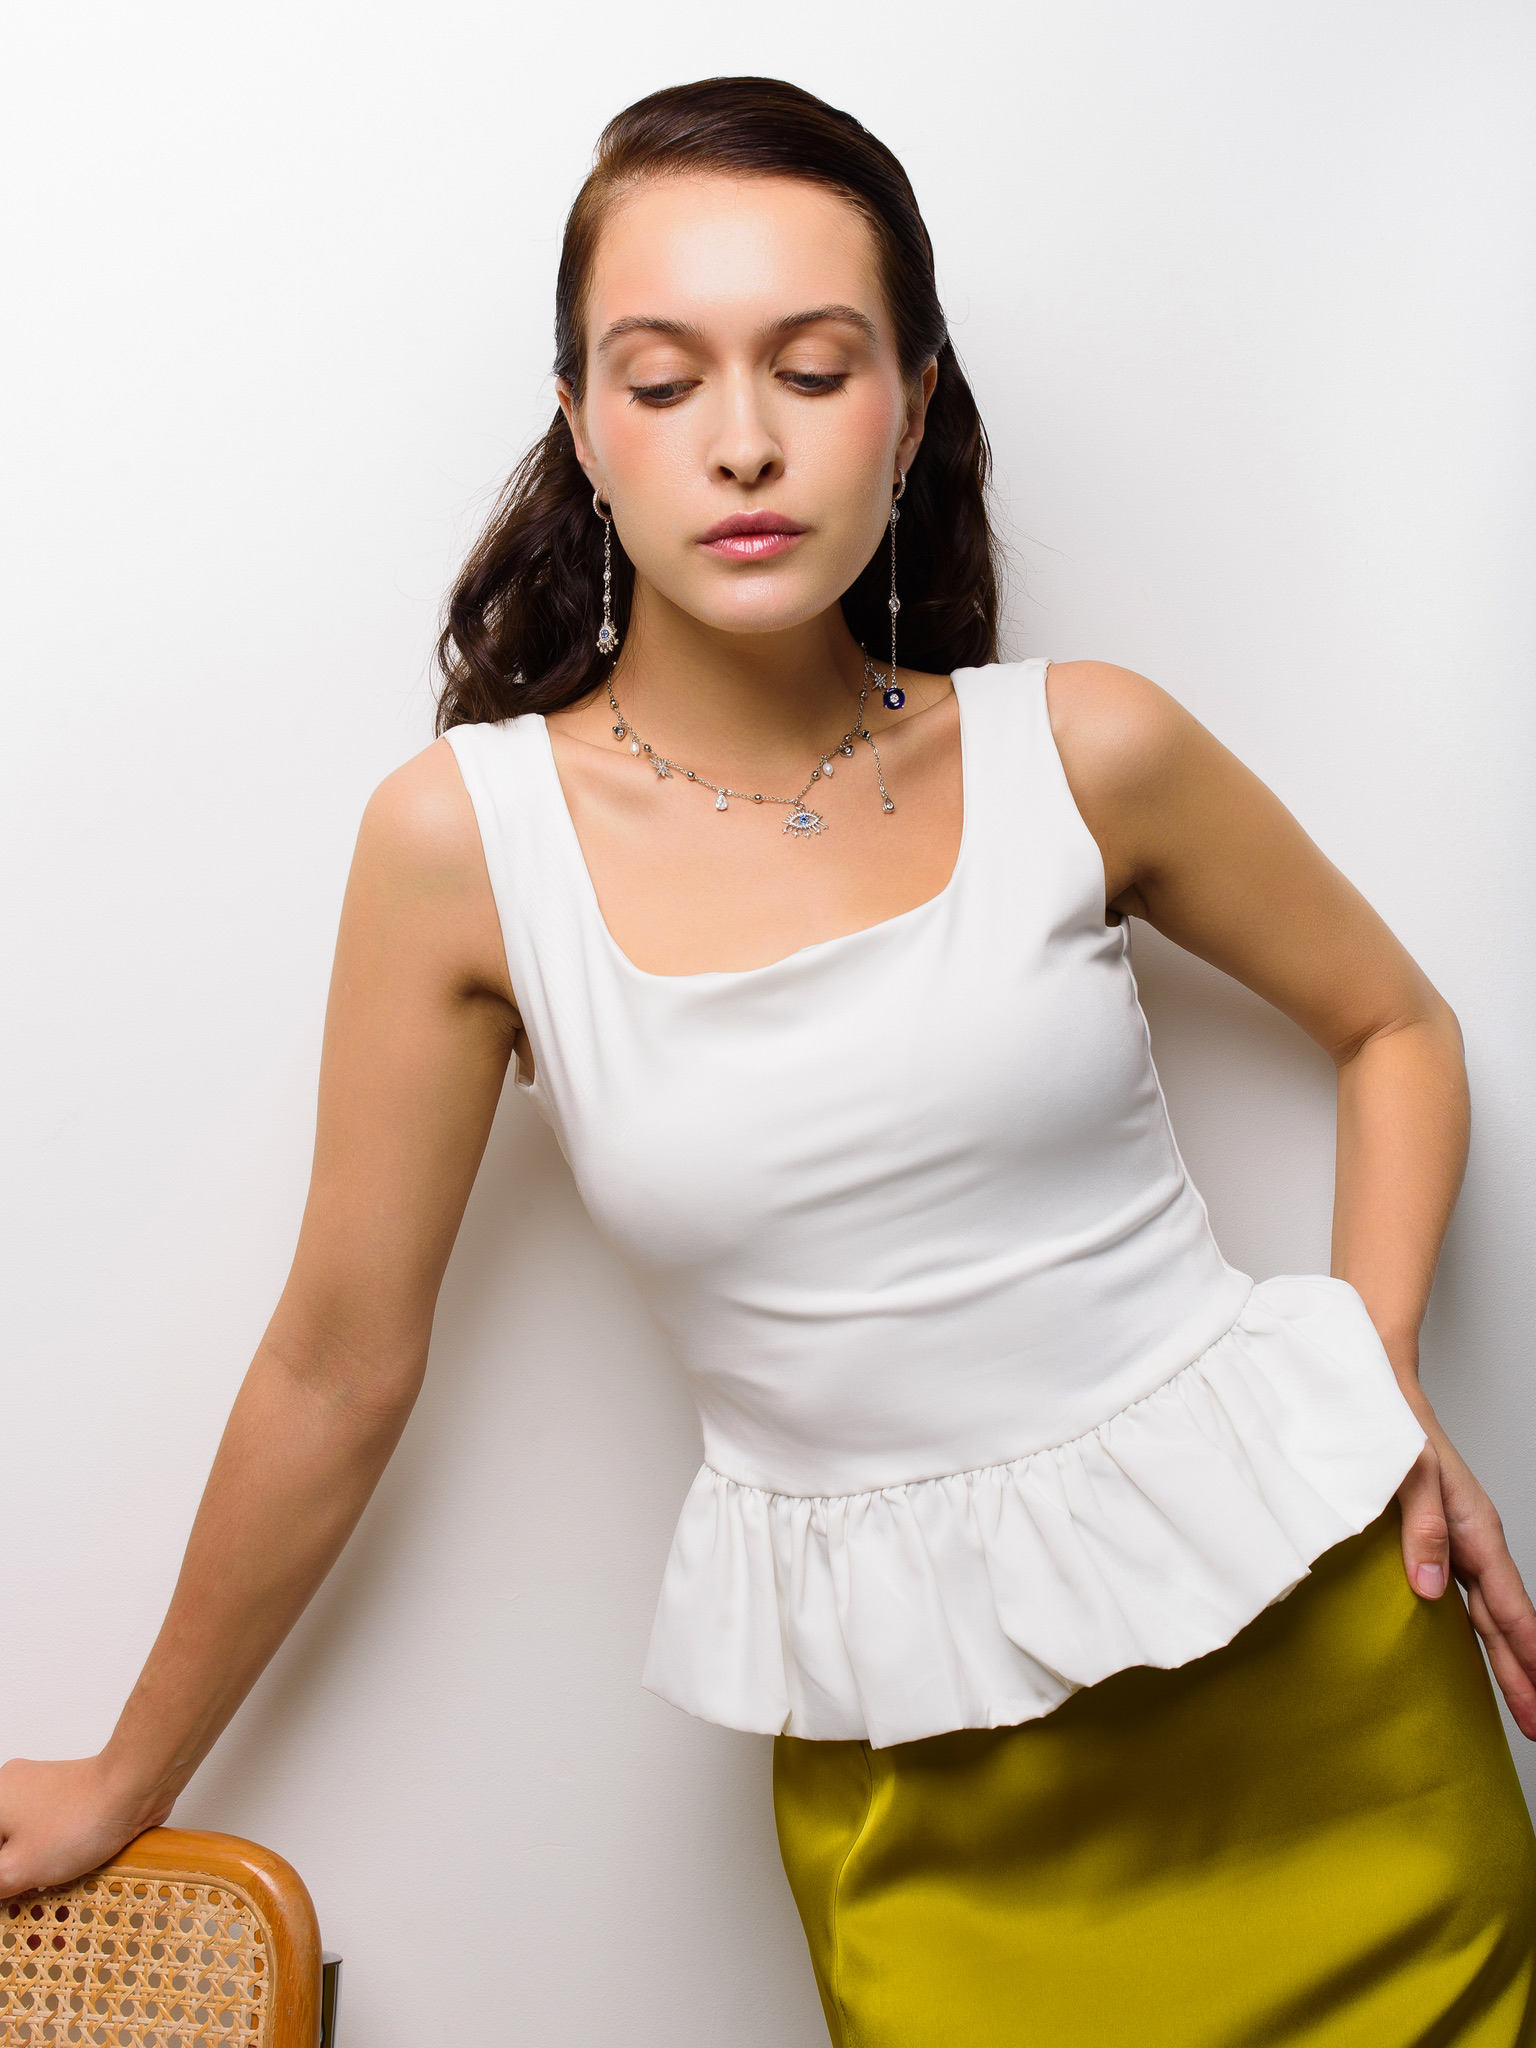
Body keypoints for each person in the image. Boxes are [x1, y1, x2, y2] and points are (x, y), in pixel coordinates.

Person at [3, 73, 1534, 2045]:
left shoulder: (1087, 747)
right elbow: (336, 1362)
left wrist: (1374, 1361)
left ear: (912, 403)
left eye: (813, 369)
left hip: (1333, 1698)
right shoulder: (464, 848)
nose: (744, 439)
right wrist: (129, 1774)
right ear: (584, 427)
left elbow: (1397, 1024)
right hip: (926, 1794)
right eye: (663, 380)